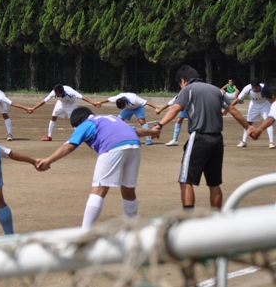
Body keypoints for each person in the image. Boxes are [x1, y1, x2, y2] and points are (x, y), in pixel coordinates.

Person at [36, 107, 159, 228]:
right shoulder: (109, 118)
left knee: (98, 190)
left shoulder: (87, 123)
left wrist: (48, 160)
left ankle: (85, 231)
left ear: (78, 122)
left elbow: (69, 146)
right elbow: (135, 131)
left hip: (112, 147)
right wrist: (153, 132)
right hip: (134, 146)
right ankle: (131, 228)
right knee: (128, 191)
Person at [155, 65, 249, 210]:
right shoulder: (216, 90)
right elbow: (232, 110)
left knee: (186, 180)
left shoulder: (188, 89)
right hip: (217, 140)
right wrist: (248, 128)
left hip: (199, 137)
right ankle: (216, 217)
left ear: (183, 80)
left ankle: (188, 217)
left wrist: (160, 125)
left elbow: (175, 108)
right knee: (214, 184)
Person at [28, 84, 101, 141]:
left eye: (57, 94)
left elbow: (82, 97)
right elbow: (45, 100)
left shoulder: (70, 91)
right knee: (53, 117)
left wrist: (93, 103)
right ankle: (49, 136)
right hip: (61, 103)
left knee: (74, 120)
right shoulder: (54, 92)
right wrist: (34, 108)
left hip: (71, 104)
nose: (55, 95)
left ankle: (80, 136)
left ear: (61, 92)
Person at [229, 78, 274, 149]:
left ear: (259, 86)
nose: (254, 89)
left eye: (256, 87)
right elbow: (238, 99)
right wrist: (228, 108)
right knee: (248, 123)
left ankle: (271, 142)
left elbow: (272, 97)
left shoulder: (264, 88)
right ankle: (244, 141)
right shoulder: (247, 88)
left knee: (268, 122)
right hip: (253, 105)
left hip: (265, 104)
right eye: (253, 87)